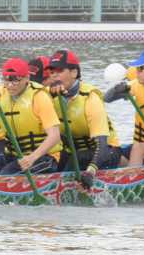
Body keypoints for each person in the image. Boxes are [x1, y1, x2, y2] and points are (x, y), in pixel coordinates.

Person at [0, 57, 61, 175]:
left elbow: (55, 136)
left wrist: (32, 158)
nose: (10, 85)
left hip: (44, 157)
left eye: (16, 80)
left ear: (27, 78)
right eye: (6, 80)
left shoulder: (39, 96)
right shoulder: (2, 91)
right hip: (15, 155)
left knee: (6, 174)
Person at [43, 49, 119, 180]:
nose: (55, 76)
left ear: (74, 72)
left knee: (75, 159)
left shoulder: (90, 98)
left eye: (60, 71)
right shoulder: (47, 95)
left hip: (105, 151)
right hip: (72, 152)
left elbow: (102, 145)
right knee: (49, 161)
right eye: (52, 72)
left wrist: (91, 172)